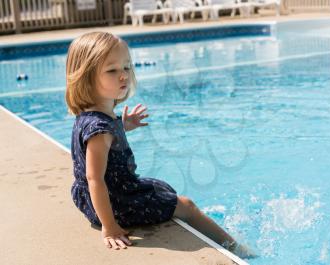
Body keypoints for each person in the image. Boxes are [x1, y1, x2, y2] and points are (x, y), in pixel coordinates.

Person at [65, 31, 255, 258]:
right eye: (112, 70)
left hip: (99, 197)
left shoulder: (96, 117)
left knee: (162, 189)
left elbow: (101, 139)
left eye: (126, 67)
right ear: (86, 77)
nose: (124, 75)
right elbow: (94, 178)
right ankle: (237, 250)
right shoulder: (101, 131)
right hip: (116, 203)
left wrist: (124, 125)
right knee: (187, 206)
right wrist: (110, 227)